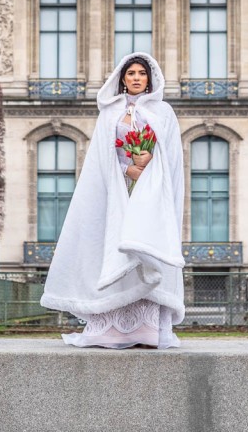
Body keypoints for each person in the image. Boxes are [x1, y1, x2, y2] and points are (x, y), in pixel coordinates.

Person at [40, 52, 184, 348]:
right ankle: (114, 329)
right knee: (118, 252)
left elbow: (171, 156)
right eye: (131, 73)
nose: (136, 78)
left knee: (145, 250)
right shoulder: (109, 113)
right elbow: (101, 158)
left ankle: (147, 329)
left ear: (149, 79)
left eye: (141, 73)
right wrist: (128, 170)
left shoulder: (163, 112)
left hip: (150, 194)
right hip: (117, 193)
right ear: (122, 79)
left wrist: (149, 172)